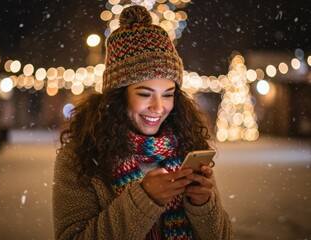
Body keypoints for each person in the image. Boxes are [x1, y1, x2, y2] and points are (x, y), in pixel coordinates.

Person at [53, 5, 233, 240]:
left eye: (168, 94)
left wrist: (202, 204)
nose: (159, 107)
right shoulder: (80, 158)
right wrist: (145, 200)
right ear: (118, 96)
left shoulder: (188, 146)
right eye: (145, 94)